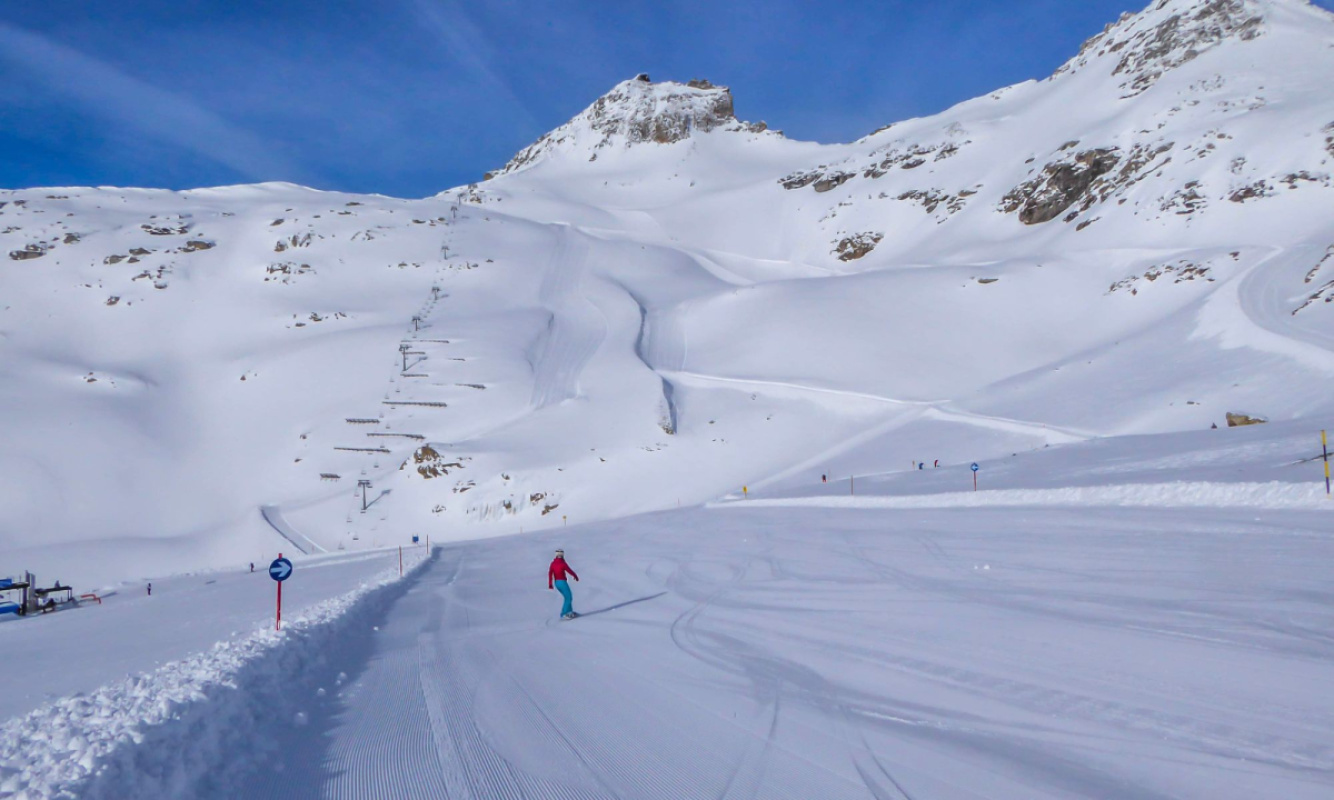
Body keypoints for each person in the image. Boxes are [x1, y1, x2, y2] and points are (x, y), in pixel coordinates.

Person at [548, 549, 579, 619]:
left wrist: (550, 583)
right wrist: (575, 576)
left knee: (567, 597)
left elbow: (550, 573)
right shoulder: (562, 563)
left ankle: (569, 612)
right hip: (562, 582)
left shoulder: (553, 563)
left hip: (557, 583)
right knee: (569, 597)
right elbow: (569, 570)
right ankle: (564, 613)